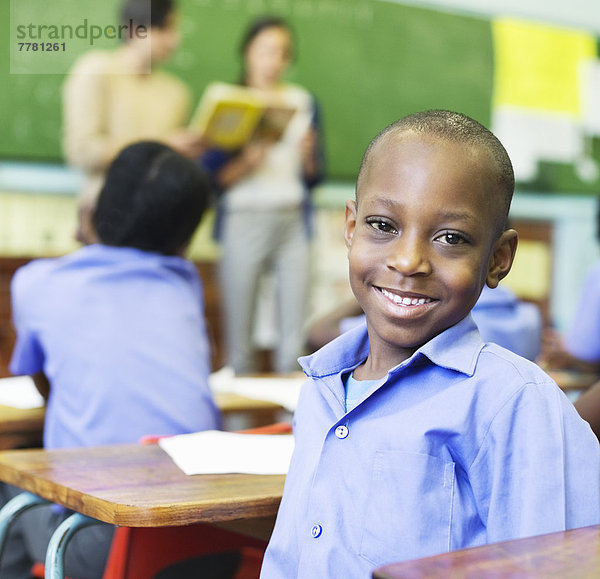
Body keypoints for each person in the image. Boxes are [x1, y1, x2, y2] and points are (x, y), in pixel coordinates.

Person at [260, 110, 600, 577]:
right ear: (350, 227)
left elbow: (556, 567)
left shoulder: (513, 401)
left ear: (498, 259)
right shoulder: (321, 388)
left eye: (450, 238)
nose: (408, 260)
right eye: (382, 225)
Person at [2, 141, 221, 578]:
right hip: (212, 540)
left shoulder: (36, 282)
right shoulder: (184, 284)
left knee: (10, 489)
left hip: (104, 550)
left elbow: (47, 384)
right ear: (186, 235)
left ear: (97, 206)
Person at [201, 16, 325, 374]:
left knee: (293, 341)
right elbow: (210, 179)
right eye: (266, 50)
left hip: (292, 220)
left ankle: (295, 427)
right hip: (244, 218)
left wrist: (307, 157)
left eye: (283, 53)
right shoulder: (228, 102)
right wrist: (246, 162)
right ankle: (239, 428)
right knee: (240, 343)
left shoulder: (303, 102)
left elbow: (315, 178)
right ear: (248, 53)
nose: (274, 61)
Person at [63, 0, 204, 245]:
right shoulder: (96, 70)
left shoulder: (176, 93)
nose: (174, 40)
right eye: (164, 29)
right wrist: (163, 144)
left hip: (160, 225)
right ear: (133, 30)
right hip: (103, 222)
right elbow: (83, 152)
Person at [307, 283, 542, 361]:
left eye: (450, 239)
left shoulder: (423, 322)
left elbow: (317, 335)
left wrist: (372, 287)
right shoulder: (530, 318)